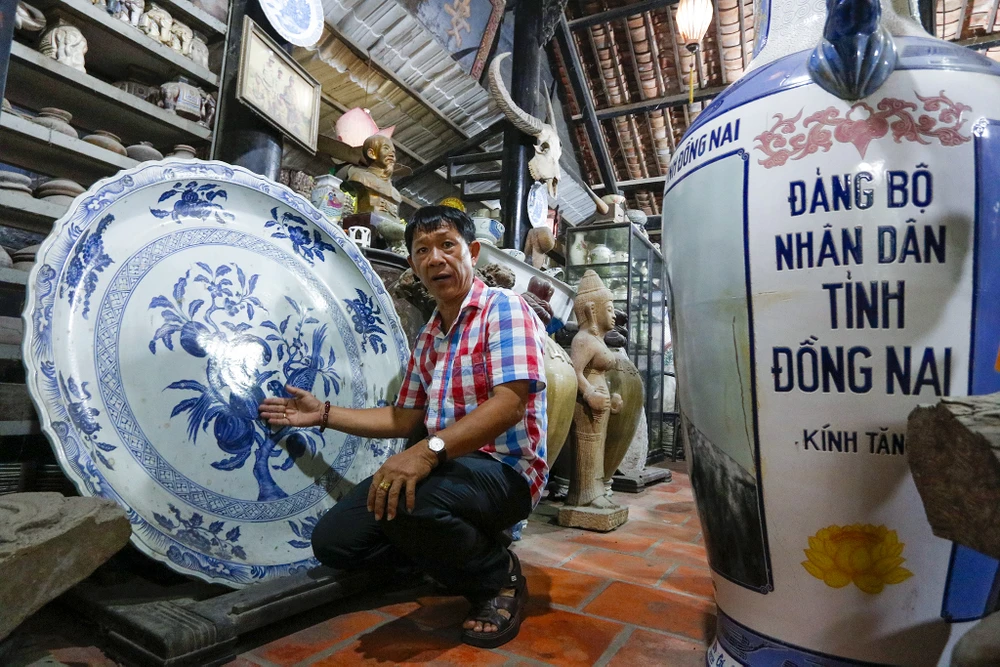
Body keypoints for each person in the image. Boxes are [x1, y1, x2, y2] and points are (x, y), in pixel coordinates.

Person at [259, 205, 548, 648]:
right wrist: (322, 414)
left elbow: (509, 406)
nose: (435, 259)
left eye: (447, 245)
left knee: (413, 501)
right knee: (336, 543)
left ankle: (497, 577)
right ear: (413, 264)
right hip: (447, 468)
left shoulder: (503, 308)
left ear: (472, 252)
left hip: (506, 472)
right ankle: (447, 555)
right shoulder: (430, 334)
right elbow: (403, 417)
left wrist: (426, 452)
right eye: (422, 250)